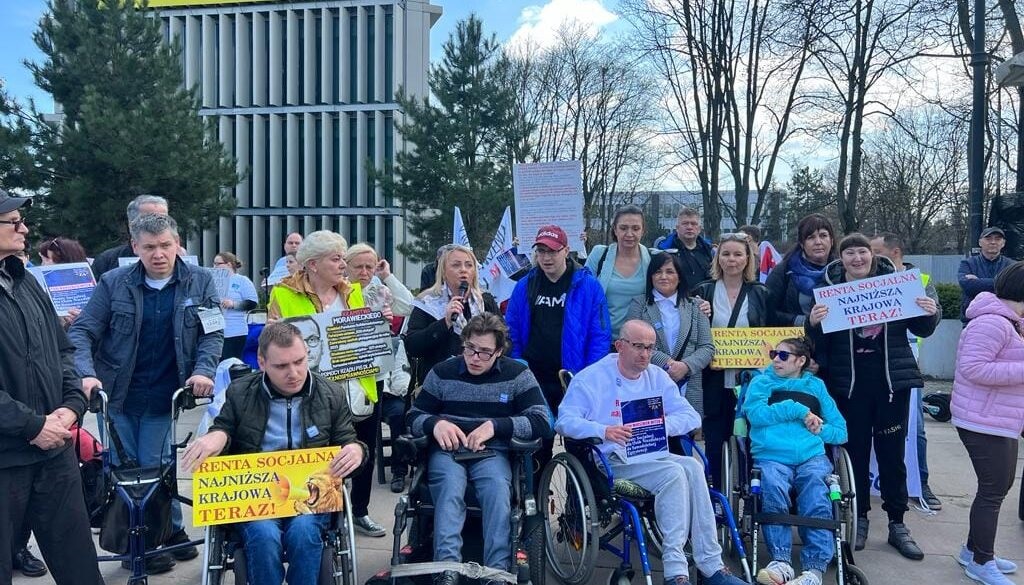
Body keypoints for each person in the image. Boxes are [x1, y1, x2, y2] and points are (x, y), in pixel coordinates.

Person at [69, 213, 222, 572]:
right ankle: (136, 544)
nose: (159, 254)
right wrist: (87, 375)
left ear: (177, 243)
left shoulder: (200, 282)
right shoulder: (113, 282)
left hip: (164, 396)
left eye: (166, 245)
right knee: (125, 471)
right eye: (150, 247)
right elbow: (82, 332)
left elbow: (212, 334)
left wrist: (203, 370)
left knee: (154, 469)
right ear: (135, 247)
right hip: (118, 395)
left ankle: (161, 536)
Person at [557, 320, 747, 585]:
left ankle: (711, 564)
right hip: (610, 459)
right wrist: (603, 430)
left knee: (692, 467)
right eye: (638, 347)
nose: (645, 354)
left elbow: (690, 416)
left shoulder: (656, 376)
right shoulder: (592, 378)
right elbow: (564, 421)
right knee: (674, 472)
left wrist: (661, 425)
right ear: (620, 346)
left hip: (649, 453)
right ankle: (675, 570)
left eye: (650, 347)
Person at [180, 321, 367, 585]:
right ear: (262, 362)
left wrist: (356, 450)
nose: (294, 372)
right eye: (281, 366)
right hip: (256, 494)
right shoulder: (240, 391)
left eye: (300, 361)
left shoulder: (330, 394)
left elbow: (348, 440)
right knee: (263, 534)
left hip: (310, 494)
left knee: (303, 533)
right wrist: (215, 437)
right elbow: (225, 427)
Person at [807, 233, 940, 560]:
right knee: (855, 454)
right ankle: (860, 517)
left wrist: (929, 312)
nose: (857, 258)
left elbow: (922, 329)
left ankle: (897, 523)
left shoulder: (898, 285)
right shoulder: (830, 293)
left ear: (872, 255)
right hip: (848, 386)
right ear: (842, 258)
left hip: (891, 384)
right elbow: (818, 346)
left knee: (892, 455)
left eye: (862, 252)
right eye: (849, 253)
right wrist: (812, 324)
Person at [0, 191, 105, 585]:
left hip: (55, 455)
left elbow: (63, 353)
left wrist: (73, 404)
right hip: (5, 460)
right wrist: (32, 426)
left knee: (80, 567)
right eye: (13, 222)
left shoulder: (28, 284)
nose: (24, 228)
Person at [406, 313, 553, 585]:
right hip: (448, 449)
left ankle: (496, 572)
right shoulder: (442, 372)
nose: (475, 358)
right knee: (450, 489)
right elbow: (413, 416)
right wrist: (435, 424)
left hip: (491, 451)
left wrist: (496, 426)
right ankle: (447, 568)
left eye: (485, 352)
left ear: (499, 351)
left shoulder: (517, 375)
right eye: (470, 349)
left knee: (497, 491)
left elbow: (541, 421)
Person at [266, 230, 384, 537]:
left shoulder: (352, 292)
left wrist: (377, 322)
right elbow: (270, 343)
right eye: (336, 259)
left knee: (361, 452)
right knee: (322, 455)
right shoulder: (282, 294)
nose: (343, 265)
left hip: (356, 386)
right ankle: (326, 514)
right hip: (310, 391)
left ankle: (359, 511)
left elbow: (364, 336)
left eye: (344, 258)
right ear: (313, 264)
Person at [506, 224, 611, 475]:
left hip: (574, 379)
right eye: (541, 251)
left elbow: (600, 335)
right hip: (535, 378)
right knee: (538, 447)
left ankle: (577, 508)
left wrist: (588, 375)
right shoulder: (525, 285)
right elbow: (511, 330)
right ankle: (537, 504)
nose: (546, 257)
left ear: (566, 250)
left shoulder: (587, 285)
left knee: (580, 447)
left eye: (552, 251)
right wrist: (519, 365)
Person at [743, 337, 847, 585]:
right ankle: (781, 561)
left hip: (811, 455)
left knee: (816, 489)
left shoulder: (816, 386)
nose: (775, 359)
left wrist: (818, 428)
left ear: (801, 361)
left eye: (782, 355)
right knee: (772, 486)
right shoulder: (761, 383)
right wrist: (796, 409)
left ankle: (814, 569)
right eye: (773, 354)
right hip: (771, 455)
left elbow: (841, 431)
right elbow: (756, 416)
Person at [949, 261, 1024, 585]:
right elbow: (974, 368)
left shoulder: (1008, 322)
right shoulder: (992, 323)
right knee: (993, 491)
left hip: (998, 418)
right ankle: (981, 561)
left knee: (997, 487)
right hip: (983, 420)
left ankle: (972, 549)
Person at [691, 233, 771, 488]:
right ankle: (716, 494)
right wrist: (697, 311)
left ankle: (749, 492)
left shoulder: (760, 293)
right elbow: (689, 328)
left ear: (748, 259)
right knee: (715, 437)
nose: (731, 259)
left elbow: (773, 327)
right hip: (714, 377)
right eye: (725, 254)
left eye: (738, 254)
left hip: (750, 379)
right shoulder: (704, 290)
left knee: (750, 439)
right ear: (717, 258)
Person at [870, 233, 941, 511]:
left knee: (915, 430)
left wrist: (930, 312)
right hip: (873, 370)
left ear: (895, 252)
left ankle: (920, 482)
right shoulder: (865, 281)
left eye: (875, 252)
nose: (869, 258)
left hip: (905, 367)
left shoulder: (919, 282)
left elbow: (928, 323)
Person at [626, 253, 714, 417]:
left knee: (684, 436)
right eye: (658, 272)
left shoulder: (697, 306)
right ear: (650, 276)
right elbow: (631, 342)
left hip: (688, 385)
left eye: (670, 271)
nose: (663, 277)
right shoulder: (639, 304)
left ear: (679, 277)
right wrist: (666, 363)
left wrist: (685, 366)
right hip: (648, 382)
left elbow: (707, 347)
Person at [404, 244, 499, 387]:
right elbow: (412, 346)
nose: (463, 270)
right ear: (443, 271)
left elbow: (505, 341)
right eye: (456, 265)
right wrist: (445, 323)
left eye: (469, 265)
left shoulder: (485, 301)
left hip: (481, 383)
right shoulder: (427, 302)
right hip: (438, 383)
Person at [586, 204, 653, 337]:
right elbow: (582, 293)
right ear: (615, 230)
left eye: (635, 228)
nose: (629, 234)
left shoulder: (654, 259)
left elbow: (672, 292)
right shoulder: (599, 255)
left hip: (639, 341)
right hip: (602, 339)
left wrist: (699, 303)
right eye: (623, 228)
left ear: (643, 231)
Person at [766, 213, 837, 327]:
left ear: (832, 240)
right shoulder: (784, 271)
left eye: (823, 235)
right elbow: (767, 312)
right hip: (797, 340)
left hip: (835, 342)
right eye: (811, 237)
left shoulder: (842, 269)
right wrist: (803, 321)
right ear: (802, 244)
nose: (818, 242)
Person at [90, 194, 169, 279]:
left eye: (163, 220)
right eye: (149, 220)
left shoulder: (180, 259)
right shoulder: (107, 261)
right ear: (131, 224)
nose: (157, 225)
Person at [958, 227, 1015, 323]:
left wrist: (979, 281)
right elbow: (968, 286)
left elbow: (1014, 288)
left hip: (1006, 321)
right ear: (980, 242)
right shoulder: (967, 264)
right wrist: (1003, 282)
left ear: (1003, 243)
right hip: (973, 320)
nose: (993, 242)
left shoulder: (1012, 266)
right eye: (988, 238)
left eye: (997, 239)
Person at [345, 242, 414, 317]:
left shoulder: (381, 292)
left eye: (369, 267)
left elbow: (408, 308)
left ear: (375, 268)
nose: (364, 272)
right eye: (358, 267)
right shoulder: (335, 290)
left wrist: (387, 276)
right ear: (346, 267)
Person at [214, 252, 259, 361]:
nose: (214, 267)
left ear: (228, 264)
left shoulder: (242, 280)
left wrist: (234, 304)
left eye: (217, 264)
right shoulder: (212, 281)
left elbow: (252, 302)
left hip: (235, 330)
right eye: (214, 264)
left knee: (233, 363)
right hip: (216, 329)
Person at [655, 207, 714, 286]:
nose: (689, 227)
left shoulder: (710, 252)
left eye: (693, 224)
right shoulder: (665, 252)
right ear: (677, 228)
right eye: (685, 223)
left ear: (699, 229)